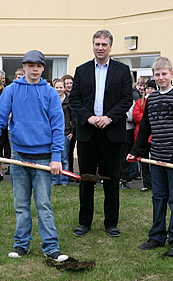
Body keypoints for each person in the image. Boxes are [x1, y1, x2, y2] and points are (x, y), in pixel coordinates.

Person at [0, 50, 69, 262]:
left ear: (43, 68)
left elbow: (57, 127)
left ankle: (51, 247)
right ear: (24, 66)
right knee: (21, 205)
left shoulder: (50, 93)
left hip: (44, 157)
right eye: (30, 65)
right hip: (18, 157)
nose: (34, 69)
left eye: (38, 66)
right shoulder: (11, 91)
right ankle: (21, 245)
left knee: (43, 204)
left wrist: (56, 157)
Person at [69, 29, 133, 238]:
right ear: (93, 45)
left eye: (104, 44)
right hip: (87, 132)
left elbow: (126, 99)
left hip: (111, 133)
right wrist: (89, 118)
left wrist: (109, 118)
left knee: (111, 180)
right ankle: (84, 222)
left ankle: (111, 223)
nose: (100, 47)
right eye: (97, 44)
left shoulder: (123, 71)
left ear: (110, 47)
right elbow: (74, 100)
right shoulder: (82, 70)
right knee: (86, 179)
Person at [127, 57, 173, 257]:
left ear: (172, 74)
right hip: (155, 158)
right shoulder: (151, 99)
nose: (161, 77)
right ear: (153, 77)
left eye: (164, 74)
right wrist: (136, 151)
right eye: (157, 74)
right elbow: (145, 129)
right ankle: (156, 236)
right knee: (158, 198)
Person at [133, 79, 157, 192]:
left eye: (152, 89)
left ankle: (156, 183)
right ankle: (146, 184)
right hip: (141, 136)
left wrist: (146, 118)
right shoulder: (139, 102)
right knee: (143, 162)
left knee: (155, 162)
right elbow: (136, 116)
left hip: (154, 137)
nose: (149, 90)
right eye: (148, 88)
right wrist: (147, 117)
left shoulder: (157, 102)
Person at [51, 79, 74, 186]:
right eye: (57, 87)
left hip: (65, 132)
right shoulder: (51, 99)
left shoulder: (69, 101)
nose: (59, 89)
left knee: (64, 158)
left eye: (61, 87)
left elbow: (74, 118)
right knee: (54, 157)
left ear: (64, 88)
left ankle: (64, 179)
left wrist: (72, 131)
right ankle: (54, 179)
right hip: (52, 133)